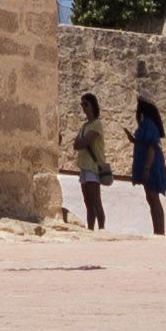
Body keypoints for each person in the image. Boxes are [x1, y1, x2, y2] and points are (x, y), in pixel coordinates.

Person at [131, 94, 166, 236]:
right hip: (148, 164)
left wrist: (147, 168)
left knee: (153, 197)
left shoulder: (148, 124)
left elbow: (152, 147)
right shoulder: (146, 124)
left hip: (151, 165)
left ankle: (159, 231)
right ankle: (157, 230)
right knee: (151, 197)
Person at [72, 93, 110, 230]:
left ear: (93, 106)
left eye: (86, 104)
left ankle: (101, 229)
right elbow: (76, 144)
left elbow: (83, 143)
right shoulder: (85, 126)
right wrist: (80, 142)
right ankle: (90, 229)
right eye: (82, 105)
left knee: (96, 201)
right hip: (84, 166)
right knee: (88, 202)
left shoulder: (96, 124)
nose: (83, 108)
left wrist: (81, 142)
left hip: (93, 167)